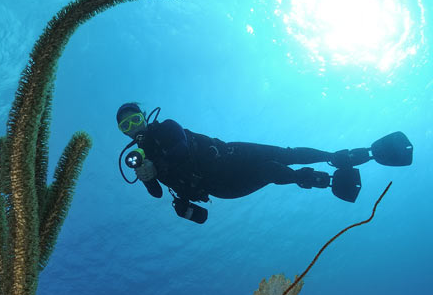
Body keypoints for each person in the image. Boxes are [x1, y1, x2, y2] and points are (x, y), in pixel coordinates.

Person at [116, 103, 413, 224]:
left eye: (135, 119)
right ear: (125, 132)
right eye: (126, 126)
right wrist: (146, 177)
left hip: (229, 156)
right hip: (220, 186)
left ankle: (346, 156)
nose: (133, 126)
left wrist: (157, 165)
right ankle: (324, 180)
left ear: (144, 117)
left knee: (286, 154)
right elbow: (156, 193)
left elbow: (181, 147)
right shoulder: (139, 160)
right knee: (269, 171)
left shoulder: (167, 126)